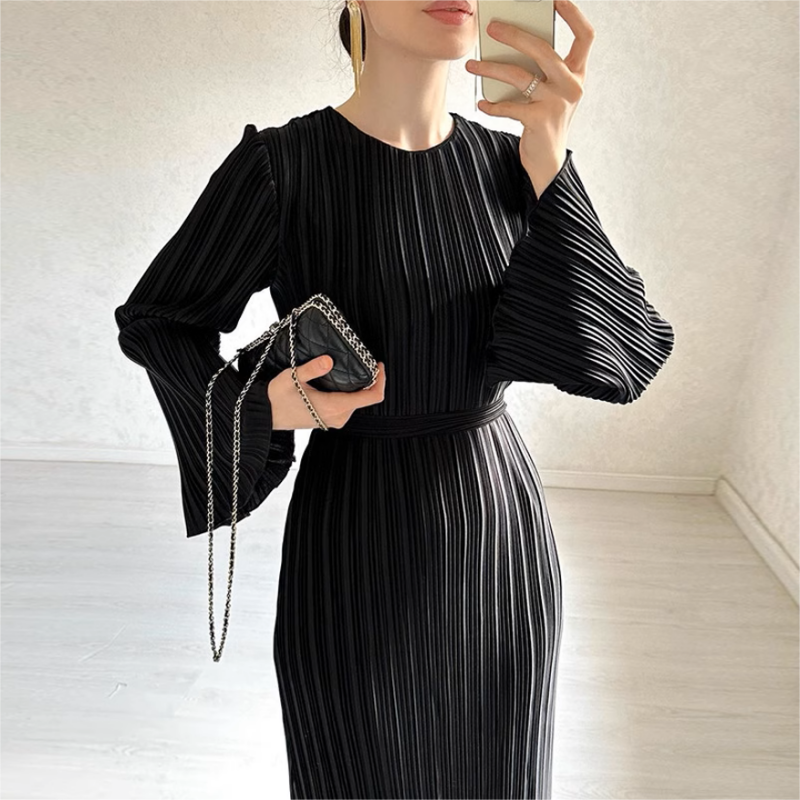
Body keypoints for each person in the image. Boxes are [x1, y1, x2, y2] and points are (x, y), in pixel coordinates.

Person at [114, 0, 675, 797]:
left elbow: (620, 356)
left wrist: (550, 153)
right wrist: (262, 405)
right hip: (355, 530)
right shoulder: (282, 167)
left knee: (501, 771)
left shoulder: (513, 163)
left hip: (497, 531)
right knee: (357, 765)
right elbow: (159, 321)